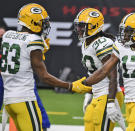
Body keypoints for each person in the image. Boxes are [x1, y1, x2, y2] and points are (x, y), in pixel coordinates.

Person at [0, 3, 92, 131]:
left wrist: (38, 52)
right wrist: (70, 86)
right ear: (32, 22)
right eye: (41, 22)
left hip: (9, 100)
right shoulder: (33, 41)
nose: (44, 25)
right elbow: (44, 77)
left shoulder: (7, 35)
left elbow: (21, 56)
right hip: (24, 100)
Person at [77, 12, 135, 131]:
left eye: (129, 31)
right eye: (123, 30)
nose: (124, 34)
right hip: (129, 100)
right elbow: (104, 70)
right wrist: (84, 84)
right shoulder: (120, 46)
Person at [73, 8, 125, 131]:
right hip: (97, 93)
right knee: (89, 123)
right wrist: (89, 94)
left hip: (108, 93)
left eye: (82, 26)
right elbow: (92, 73)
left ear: (94, 26)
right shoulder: (86, 42)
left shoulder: (102, 43)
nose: (79, 29)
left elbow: (112, 75)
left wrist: (111, 101)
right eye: (78, 26)